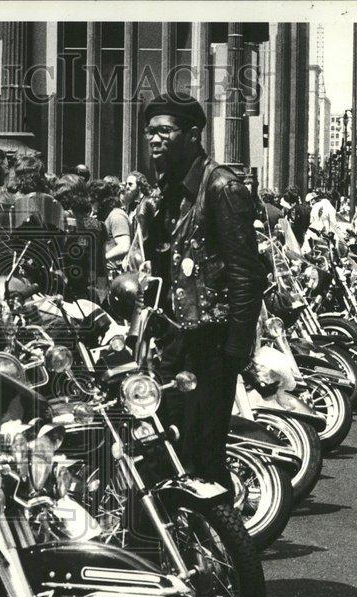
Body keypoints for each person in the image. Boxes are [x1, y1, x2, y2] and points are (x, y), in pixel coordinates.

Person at [139, 91, 267, 499]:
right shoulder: (166, 192)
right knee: (169, 446)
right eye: (150, 133)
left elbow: (248, 275)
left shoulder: (223, 188)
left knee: (204, 455)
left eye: (165, 131)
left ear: (193, 134)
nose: (155, 140)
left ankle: (225, 547)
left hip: (211, 343)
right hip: (173, 340)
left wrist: (235, 351)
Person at [55, 175, 107, 301]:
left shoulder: (56, 224)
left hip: (59, 295)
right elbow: (101, 268)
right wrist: (101, 296)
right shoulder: (97, 226)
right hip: (85, 294)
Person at [91, 176, 131, 273]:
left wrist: (101, 258)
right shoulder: (103, 216)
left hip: (113, 273)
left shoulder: (116, 216)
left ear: (101, 200)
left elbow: (124, 246)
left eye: (93, 202)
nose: (91, 205)